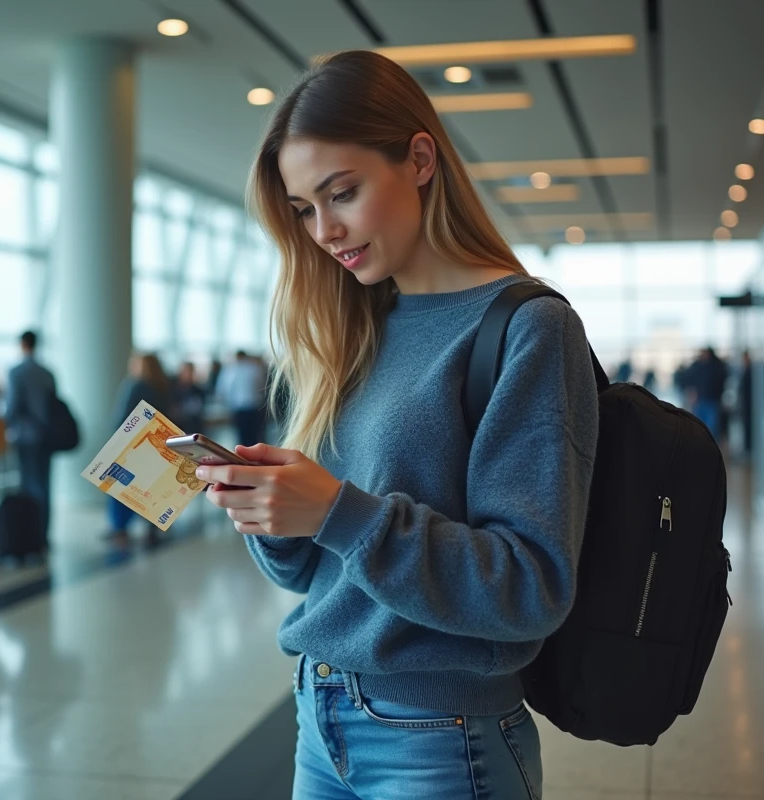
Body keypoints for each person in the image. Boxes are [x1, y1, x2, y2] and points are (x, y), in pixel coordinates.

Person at [197, 51, 599, 799]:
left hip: (440, 742)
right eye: (303, 209)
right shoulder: (354, 325)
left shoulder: (526, 328)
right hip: (321, 713)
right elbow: (319, 569)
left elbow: (531, 587)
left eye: (340, 193)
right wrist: (278, 516)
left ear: (419, 159)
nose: (323, 230)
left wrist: (338, 512)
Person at [108, 352, 172, 545]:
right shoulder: (164, 386)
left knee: (121, 485)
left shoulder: (135, 385)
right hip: (155, 443)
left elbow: (124, 417)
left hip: (133, 444)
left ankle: (120, 528)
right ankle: (152, 527)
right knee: (150, 486)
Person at [6, 330, 58, 547]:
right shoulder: (47, 372)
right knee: (44, 485)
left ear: (22, 345)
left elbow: (13, 407)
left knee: (29, 484)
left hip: (26, 437)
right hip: (46, 436)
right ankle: (43, 534)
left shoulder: (16, 372)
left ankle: (31, 534)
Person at [215, 350, 268, 447]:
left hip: (238, 407)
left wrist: (227, 403)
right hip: (253, 405)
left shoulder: (230, 370)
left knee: (241, 434)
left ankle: (243, 453)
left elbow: (223, 389)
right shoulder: (254, 369)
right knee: (253, 434)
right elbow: (261, 387)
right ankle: (254, 453)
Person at [171, 361, 206, 435]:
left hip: (194, 429)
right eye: (186, 372)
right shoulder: (173, 391)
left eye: (191, 372)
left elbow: (200, 409)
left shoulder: (198, 391)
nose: (188, 375)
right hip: (179, 429)